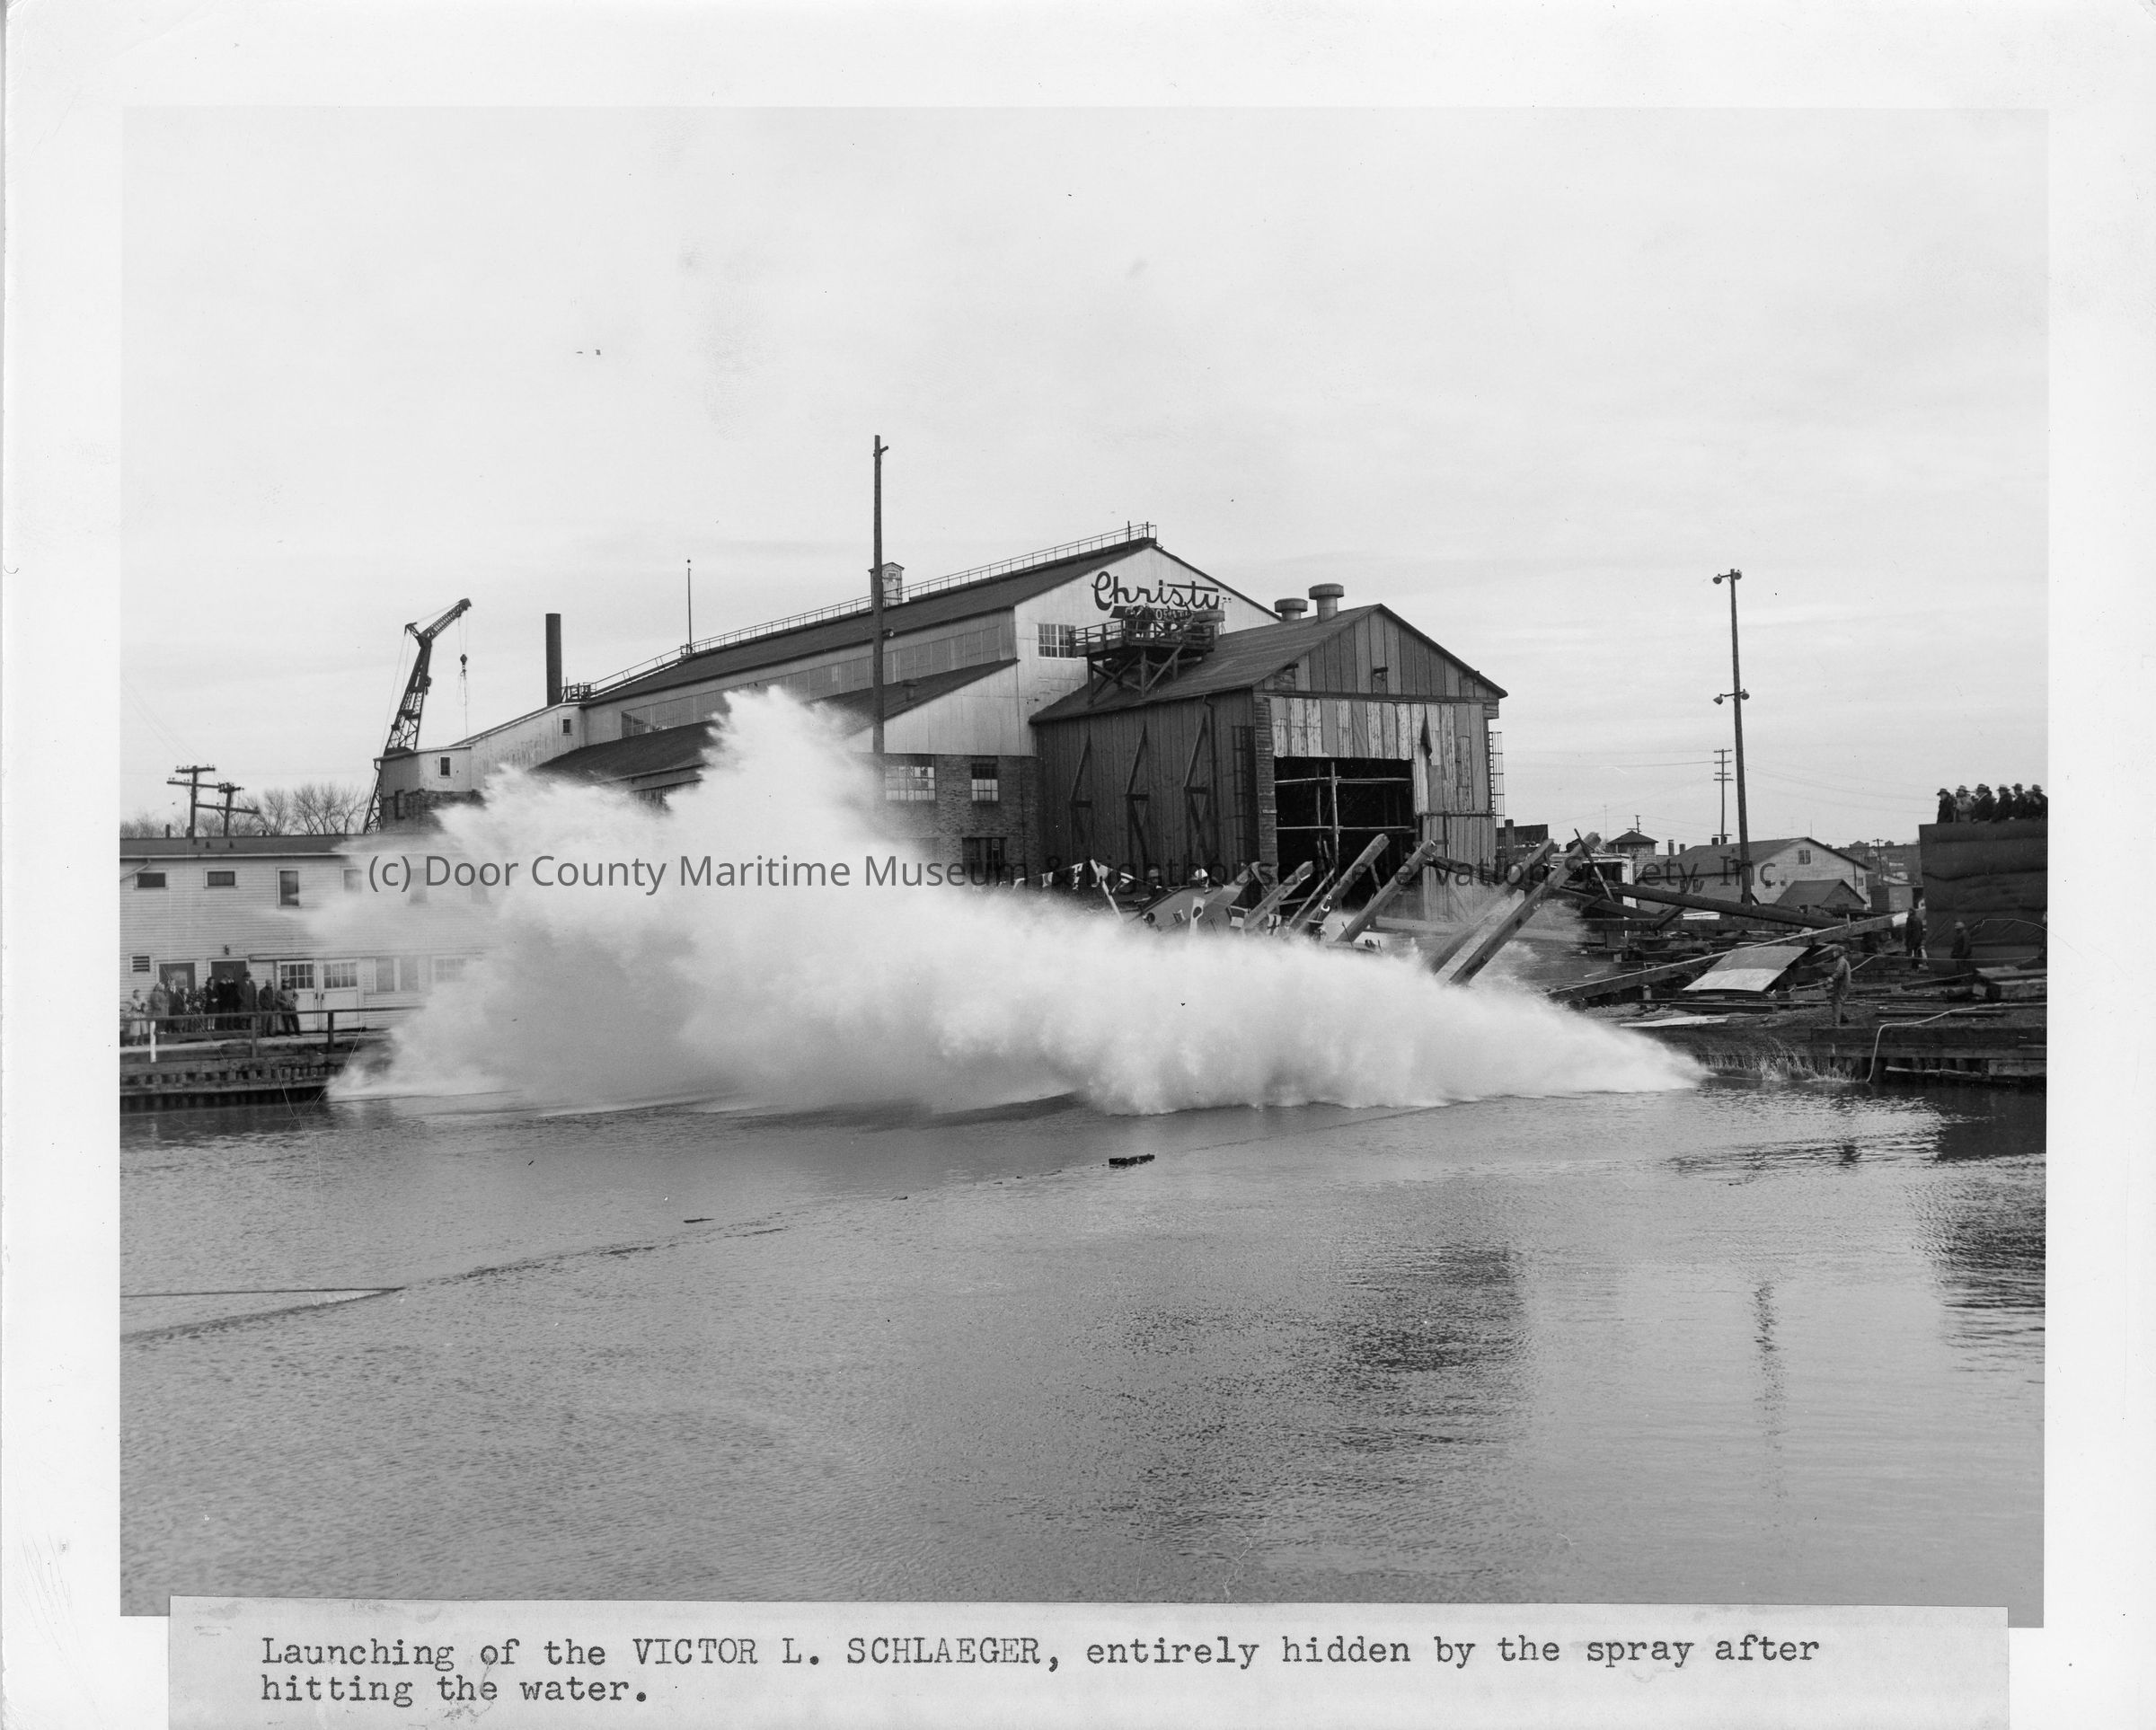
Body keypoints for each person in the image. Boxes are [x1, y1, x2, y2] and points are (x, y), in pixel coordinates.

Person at [1826, 949, 1854, 1027]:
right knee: (1836, 1000)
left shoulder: (1841, 961)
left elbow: (1839, 972)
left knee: (1837, 1001)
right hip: (1843, 984)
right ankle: (1843, 1018)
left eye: (1835, 952)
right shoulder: (1841, 960)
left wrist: (1832, 978)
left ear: (1838, 952)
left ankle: (1836, 1023)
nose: (1833, 953)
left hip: (1842, 985)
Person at [1904, 895, 1927, 960]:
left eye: (1908, 911)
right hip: (1918, 939)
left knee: (1909, 953)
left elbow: (1909, 931)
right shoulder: (1919, 919)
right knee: (1918, 952)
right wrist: (1922, 938)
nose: (1907, 912)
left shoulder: (1910, 919)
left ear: (1911, 912)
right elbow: (1921, 929)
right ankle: (1919, 962)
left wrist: (1907, 940)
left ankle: (1910, 964)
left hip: (1912, 939)